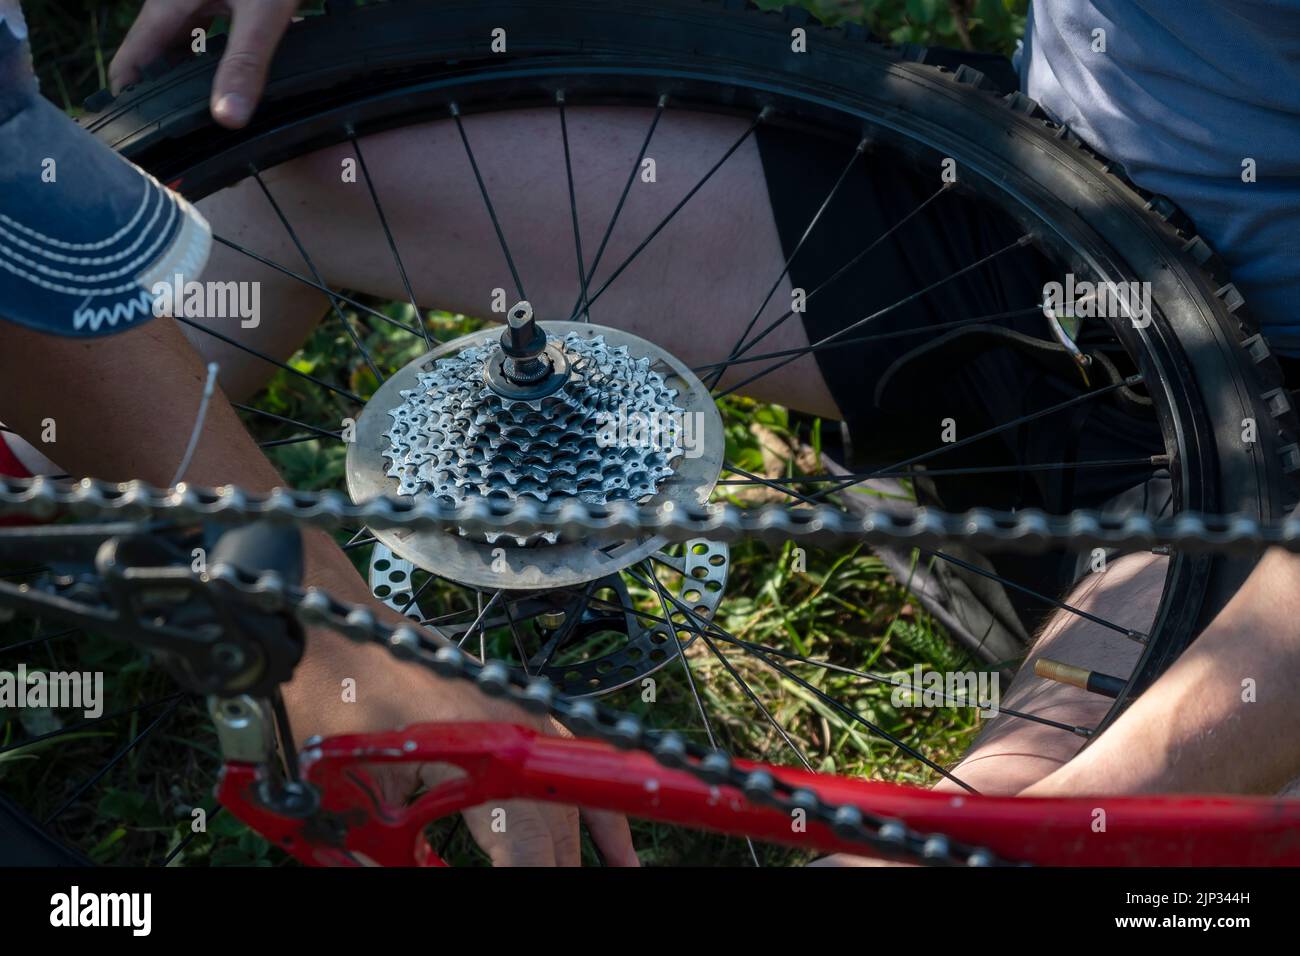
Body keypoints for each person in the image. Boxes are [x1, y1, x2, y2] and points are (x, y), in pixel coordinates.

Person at [4, 0, 1298, 861]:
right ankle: (67, 535)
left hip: (1270, 470)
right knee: (273, 157)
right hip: (1021, 225)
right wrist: (312, 635)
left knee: (988, 833)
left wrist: (1065, 822)